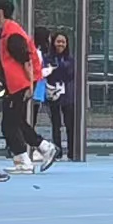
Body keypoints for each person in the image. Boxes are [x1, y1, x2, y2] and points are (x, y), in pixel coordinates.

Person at [0, 0, 57, 174]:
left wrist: (30, 85)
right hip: (16, 84)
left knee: (9, 125)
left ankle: (26, 159)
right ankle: (42, 148)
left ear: (0, 11)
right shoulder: (6, 31)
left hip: (19, 85)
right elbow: (13, 60)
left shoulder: (12, 33)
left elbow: (26, 60)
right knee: (16, 121)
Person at [43, 31, 77, 159]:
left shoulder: (71, 59)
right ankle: (57, 151)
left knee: (70, 124)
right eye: (58, 41)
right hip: (53, 93)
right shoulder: (48, 58)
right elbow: (48, 73)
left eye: (63, 42)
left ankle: (72, 151)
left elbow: (70, 73)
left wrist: (57, 68)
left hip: (68, 95)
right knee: (55, 124)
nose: (60, 44)